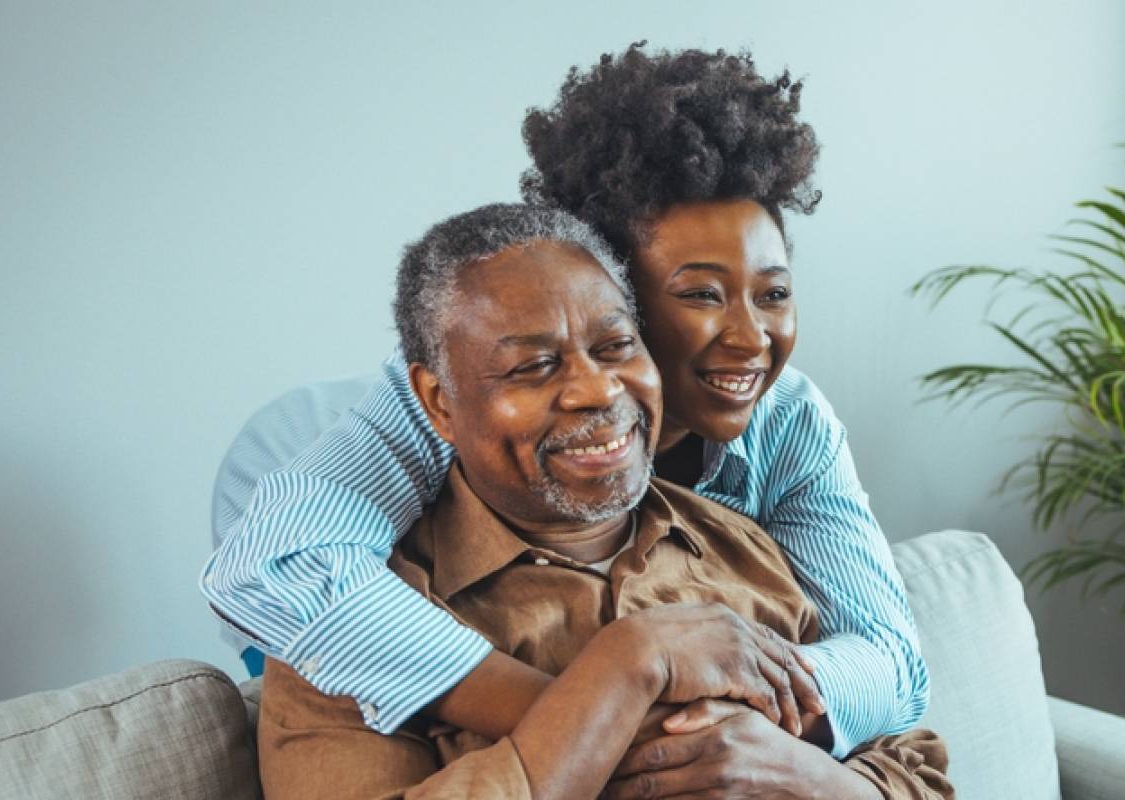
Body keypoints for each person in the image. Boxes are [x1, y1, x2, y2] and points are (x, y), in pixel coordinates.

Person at [203, 43, 926, 757]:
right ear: (608, 291)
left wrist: (722, 725)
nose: (750, 339)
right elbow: (272, 564)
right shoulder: (450, 398)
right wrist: (598, 718)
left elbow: (892, 660)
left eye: (773, 294)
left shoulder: (790, 420)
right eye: (701, 295)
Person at [257, 203, 949, 800]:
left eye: (617, 345)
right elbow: (270, 561)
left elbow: (916, 757)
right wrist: (627, 669)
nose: (597, 390)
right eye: (534, 366)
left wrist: (798, 773)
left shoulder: (747, 543)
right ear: (439, 400)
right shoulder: (342, 636)